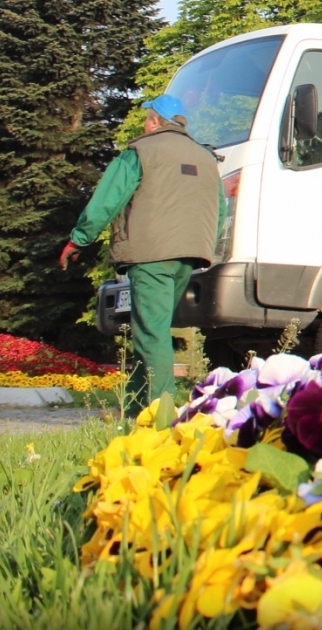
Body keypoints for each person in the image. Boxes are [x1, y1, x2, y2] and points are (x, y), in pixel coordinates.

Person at [60, 93, 225, 412]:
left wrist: (79, 239)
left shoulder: (140, 151)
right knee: (151, 330)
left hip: (151, 255)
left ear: (154, 121)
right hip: (190, 256)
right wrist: (203, 246)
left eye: (145, 119)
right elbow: (218, 210)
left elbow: (107, 199)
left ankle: (163, 418)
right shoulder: (205, 158)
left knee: (151, 334)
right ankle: (135, 411)